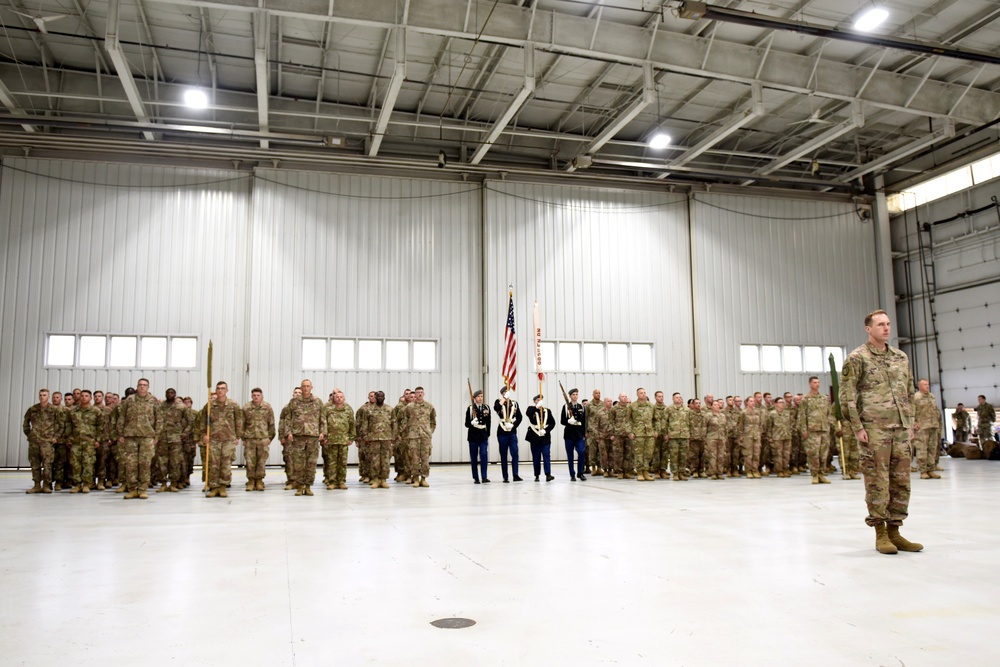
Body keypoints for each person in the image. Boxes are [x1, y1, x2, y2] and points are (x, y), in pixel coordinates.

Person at [840, 309, 921, 555]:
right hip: (874, 429)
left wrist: (910, 423)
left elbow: (908, 391)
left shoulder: (900, 357)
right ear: (869, 329)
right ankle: (880, 533)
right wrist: (857, 427)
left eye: (887, 324)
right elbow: (847, 396)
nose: (886, 328)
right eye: (880, 324)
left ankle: (896, 530)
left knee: (901, 481)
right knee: (878, 481)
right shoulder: (857, 357)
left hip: (900, 428)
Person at [116, 379, 162, 500]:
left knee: (145, 464)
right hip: (130, 436)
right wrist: (120, 433)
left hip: (147, 436)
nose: (142, 387)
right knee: (130, 464)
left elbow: (159, 419)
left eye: (144, 385)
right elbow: (121, 417)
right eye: (140, 385)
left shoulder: (153, 400)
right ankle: (132, 489)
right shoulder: (129, 400)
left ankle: (142, 489)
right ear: (137, 387)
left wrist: (156, 435)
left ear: (148, 387)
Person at [198, 381, 244, 498]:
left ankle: (223, 487)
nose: (220, 390)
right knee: (214, 464)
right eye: (218, 388)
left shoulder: (233, 405)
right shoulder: (209, 405)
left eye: (223, 388)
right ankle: (214, 487)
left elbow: (239, 421)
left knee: (226, 464)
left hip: (228, 439)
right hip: (214, 439)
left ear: (226, 390)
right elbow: (203, 421)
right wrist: (204, 434)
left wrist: (238, 436)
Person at [280, 380, 325, 496]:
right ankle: (299, 486)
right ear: (301, 387)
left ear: (311, 387)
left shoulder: (317, 401)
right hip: (298, 436)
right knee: (298, 463)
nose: (305, 388)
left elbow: (323, 418)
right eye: (303, 386)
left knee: (311, 463)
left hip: (313, 436)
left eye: (307, 386)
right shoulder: (294, 402)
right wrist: (288, 432)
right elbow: (288, 418)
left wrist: (323, 432)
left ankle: (308, 486)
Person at [22, 388, 61, 494]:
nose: (42, 397)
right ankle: (36, 485)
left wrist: (56, 436)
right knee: (35, 464)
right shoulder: (33, 409)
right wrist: (29, 434)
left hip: (47, 441)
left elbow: (61, 424)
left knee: (47, 464)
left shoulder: (54, 409)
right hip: (34, 441)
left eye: (44, 395)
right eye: (40, 395)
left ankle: (47, 485)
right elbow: (26, 422)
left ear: (48, 397)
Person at [66, 390, 105, 494]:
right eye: (82, 396)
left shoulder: (96, 411)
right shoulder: (73, 411)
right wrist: (69, 438)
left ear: (90, 398)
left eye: (86, 396)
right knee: (75, 464)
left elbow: (101, 427)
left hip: (89, 442)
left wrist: (97, 440)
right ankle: (77, 484)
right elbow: (69, 425)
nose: (83, 397)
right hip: (76, 441)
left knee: (88, 463)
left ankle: (87, 484)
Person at [798, 376, 833, 485]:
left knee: (823, 454)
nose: (817, 384)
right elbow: (802, 416)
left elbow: (829, 414)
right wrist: (804, 430)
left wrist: (830, 427)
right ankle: (814, 475)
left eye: (818, 382)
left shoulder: (824, 398)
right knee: (813, 454)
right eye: (814, 382)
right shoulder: (806, 399)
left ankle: (821, 474)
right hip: (812, 431)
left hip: (824, 429)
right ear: (810, 384)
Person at [156, 388, 191, 493]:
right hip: (162, 438)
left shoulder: (181, 407)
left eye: (172, 393)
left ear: (175, 395)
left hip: (176, 439)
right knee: (161, 462)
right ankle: (162, 483)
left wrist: (185, 433)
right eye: (168, 393)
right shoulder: (160, 407)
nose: (170, 394)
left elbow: (190, 421)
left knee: (175, 462)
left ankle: (173, 483)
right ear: (165, 394)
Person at [242, 388, 276, 491]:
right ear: (251, 396)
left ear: (262, 396)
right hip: (249, 439)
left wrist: (270, 437)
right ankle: (251, 481)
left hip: (263, 438)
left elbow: (271, 423)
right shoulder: (246, 407)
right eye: (254, 395)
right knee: (250, 461)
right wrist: (243, 437)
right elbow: (241, 423)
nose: (256, 397)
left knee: (261, 461)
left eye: (258, 395)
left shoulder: (267, 407)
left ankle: (259, 480)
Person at [321, 388, 354, 490]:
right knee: (332, 462)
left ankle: (341, 481)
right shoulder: (328, 409)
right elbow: (324, 423)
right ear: (333, 399)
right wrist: (325, 436)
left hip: (344, 440)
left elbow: (352, 424)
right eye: (337, 397)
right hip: (331, 440)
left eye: (341, 397)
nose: (339, 399)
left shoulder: (348, 409)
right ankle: (332, 482)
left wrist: (351, 437)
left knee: (342, 462)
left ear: (344, 398)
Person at [404, 386, 436, 488]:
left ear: (424, 394)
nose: (420, 394)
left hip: (425, 436)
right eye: (418, 392)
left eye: (421, 392)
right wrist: (407, 433)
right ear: (415, 394)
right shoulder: (409, 407)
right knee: (414, 459)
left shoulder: (429, 406)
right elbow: (405, 421)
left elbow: (433, 421)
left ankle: (423, 478)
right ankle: (416, 478)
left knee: (425, 459)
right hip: (413, 436)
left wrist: (429, 431)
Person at [912, 380, 942, 480]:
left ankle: (931, 469)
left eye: (928, 384)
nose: (927, 386)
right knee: (922, 450)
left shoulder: (932, 396)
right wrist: (914, 423)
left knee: (932, 449)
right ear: (919, 386)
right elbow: (911, 411)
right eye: (925, 385)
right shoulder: (916, 397)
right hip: (922, 427)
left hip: (933, 426)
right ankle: (923, 471)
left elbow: (935, 410)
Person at [364, 391, 394, 489]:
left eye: (382, 396)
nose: (380, 398)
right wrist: (365, 436)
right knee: (374, 459)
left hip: (386, 438)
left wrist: (394, 436)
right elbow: (365, 424)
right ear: (375, 397)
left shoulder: (389, 409)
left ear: (384, 397)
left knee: (385, 460)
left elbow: (394, 424)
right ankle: (376, 479)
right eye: (378, 396)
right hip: (373, 438)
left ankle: (383, 480)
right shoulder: (369, 410)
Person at [494, 386, 523, 482]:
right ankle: (505, 476)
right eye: (504, 392)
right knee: (503, 454)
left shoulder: (514, 403)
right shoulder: (498, 401)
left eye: (507, 391)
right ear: (502, 393)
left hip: (512, 431)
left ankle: (515, 475)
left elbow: (519, 417)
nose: (506, 393)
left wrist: (514, 425)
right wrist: (504, 398)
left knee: (515, 453)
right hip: (502, 432)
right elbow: (496, 407)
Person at [627, 388, 655, 482]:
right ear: (637, 395)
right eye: (641, 393)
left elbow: (656, 419)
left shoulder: (651, 406)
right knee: (639, 454)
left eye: (644, 393)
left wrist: (656, 430)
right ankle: (639, 472)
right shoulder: (632, 406)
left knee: (648, 453)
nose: (643, 394)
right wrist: (630, 432)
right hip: (638, 433)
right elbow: (628, 420)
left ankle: (646, 471)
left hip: (649, 433)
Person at [525, 394, 555, 481]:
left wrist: (546, 430)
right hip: (534, 437)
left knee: (546, 455)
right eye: (537, 400)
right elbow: (528, 413)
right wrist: (536, 407)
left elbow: (552, 423)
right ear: (534, 401)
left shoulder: (547, 411)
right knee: (536, 456)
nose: (539, 401)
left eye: (540, 400)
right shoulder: (531, 409)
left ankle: (548, 474)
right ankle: (537, 475)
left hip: (545, 437)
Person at [466, 389, 492, 484]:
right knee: (473, 457)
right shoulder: (470, 409)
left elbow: (489, 422)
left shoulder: (486, 408)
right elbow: (466, 423)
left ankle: (484, 477)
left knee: (484, 455)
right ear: (474, 398)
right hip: (473, 435)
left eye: (481, 396)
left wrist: (488, 433)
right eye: (478, 396)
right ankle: (476, 477)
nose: (480, 398)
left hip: (483, 435)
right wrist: (472, 423)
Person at [561, 388, 587, 481]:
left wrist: (584, 433)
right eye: (573, 395)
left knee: (581, 452)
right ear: (570, 396)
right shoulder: (565, 407)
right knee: (570, 455)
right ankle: (572, 474)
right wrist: (568, 421)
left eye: (576, 394)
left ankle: (580, 473)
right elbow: (562, 421)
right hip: (569, 434)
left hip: (579, 434)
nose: (575, 396)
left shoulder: (581, 407)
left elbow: (584, 421)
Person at [664, 392, 691, 480]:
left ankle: (681, 472)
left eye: (680, 397)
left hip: (684, 435)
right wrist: (666, 434)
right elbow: (665, 422)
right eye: (676, 397)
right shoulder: (669, 409)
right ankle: (675, 473)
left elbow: (690, 422)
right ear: (673, 399)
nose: (678, 399)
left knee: (683, 455)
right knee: (674, 455)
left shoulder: (687, 410)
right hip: (673, 436)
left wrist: (690, 433)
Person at [769, 397, 793, 478]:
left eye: (783, 402)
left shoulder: (787, 413)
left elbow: (790, 424)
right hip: (777, 437)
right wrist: (770, 437)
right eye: (780, 402)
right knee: (778, 454)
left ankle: (785, 468)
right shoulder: (772, 414)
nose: (782, 404)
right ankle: (779, 470)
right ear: (775, 404)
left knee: (786, 454)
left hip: (787, 436)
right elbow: (769, 426)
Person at [704, 399, 728, 480]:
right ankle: (713, 472)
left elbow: (725, 427)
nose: (717, 406)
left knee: (721, 456)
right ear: (711, 406)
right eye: (715, 405)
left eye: (718, 405)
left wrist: (725, 437)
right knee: (712, 456)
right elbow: (704, 427)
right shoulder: (708, 415)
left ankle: (720, 472)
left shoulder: (723, 416)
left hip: (721, 438)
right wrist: (705, 438)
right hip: (711, 438)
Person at [392, 390, 413, 482]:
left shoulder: (415, 407)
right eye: (407, 394)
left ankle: (411, 474)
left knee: (412, 456)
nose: (408, 396)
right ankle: (401, 473)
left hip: (413, 435)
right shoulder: (399, 407)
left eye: (410, 394)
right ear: (404, 395)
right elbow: (394, 421)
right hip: (401, 435)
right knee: (399, 455)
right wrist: (396, 434)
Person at [585, 389, 603, 475]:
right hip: (591, 430)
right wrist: (586, 431)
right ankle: (593, 468)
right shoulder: (589, 405)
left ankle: (600, 468)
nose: (598, 395)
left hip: (601, 431)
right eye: (596, 393)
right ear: (593, 394)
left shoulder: (603, 404)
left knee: (601, 450)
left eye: (599, 393)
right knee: (592, 450)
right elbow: (586, 418)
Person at [688, 398, 707, 478]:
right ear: (693, 404)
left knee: (702, 455)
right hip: (693, 438)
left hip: (702, 437)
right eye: (696, 403)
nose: (698, 405)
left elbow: (706, 425)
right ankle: (694, 470)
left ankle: (701, 470)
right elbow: (688, 425)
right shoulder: (690, 414)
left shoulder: (703, 414)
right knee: (694, 456)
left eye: (699, 403)